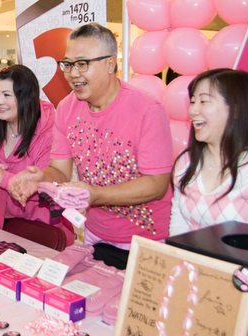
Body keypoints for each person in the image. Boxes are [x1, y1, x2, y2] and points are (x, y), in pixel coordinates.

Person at [10, 23, 173, 269]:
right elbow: (61, 171)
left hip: (146, 241)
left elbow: (156, 185)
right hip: (96, 234)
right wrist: (40, 177)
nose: (73, 73)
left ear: (110, 63)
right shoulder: (66, 108)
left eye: (83, 64)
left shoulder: (147, 109)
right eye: (67, 64)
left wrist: (96, 194)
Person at [170, 69, 248, 240]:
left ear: (235, 109)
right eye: (192, 102)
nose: (193, 111)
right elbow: (179, 221)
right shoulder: (187, 161)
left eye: (204, 101)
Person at [0, 65, 74, 246]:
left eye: (7, 95)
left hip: (41, 226)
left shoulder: (48, 130)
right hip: (2, 221)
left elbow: (45, 185)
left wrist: (2, 177)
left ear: (25, 97)